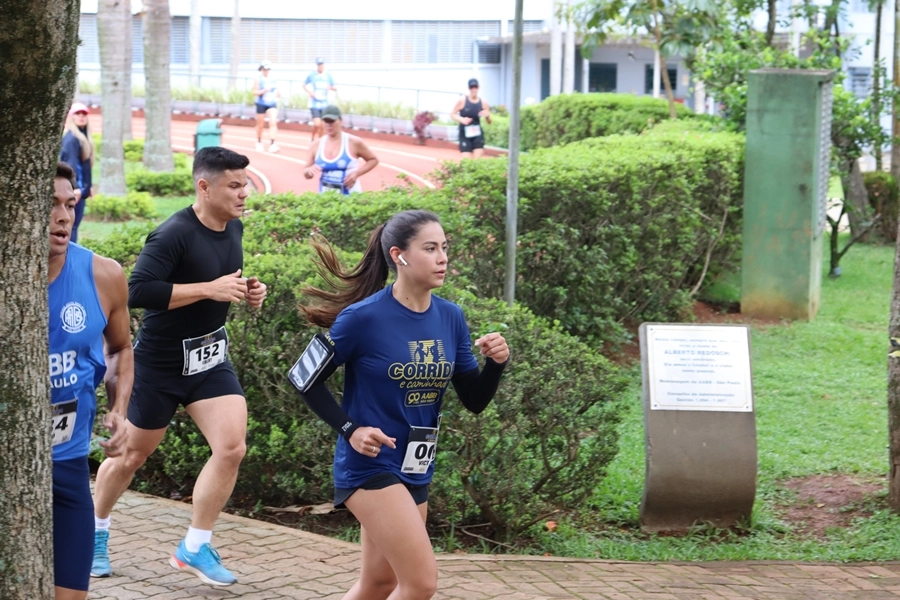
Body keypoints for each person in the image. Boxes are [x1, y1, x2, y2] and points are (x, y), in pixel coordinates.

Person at [293, 209, 509, 600]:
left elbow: (474, 399)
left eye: (445, 248)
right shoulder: (362, 318)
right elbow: (303, 377)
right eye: (430, 248)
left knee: (379, 583)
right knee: (420, 583)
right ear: (399, 255)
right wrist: (351, 429)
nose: (443, 258)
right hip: (370, 465)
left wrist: (496, 364)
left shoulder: (451, 317)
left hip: (416, 464)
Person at [90, 147, 268, 586]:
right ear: (204, 187)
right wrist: (209, 289)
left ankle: (194, 546)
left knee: (231, 448)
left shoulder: (234, 226)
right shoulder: (173, 234)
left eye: (245, 184)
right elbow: (137, 291)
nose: (244, 193)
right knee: (131, 456)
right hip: (161, 364)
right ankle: (94, 532)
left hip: (209, 359)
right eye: (234, 185)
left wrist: (247, 291)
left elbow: (221, 282)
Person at [49, 161, 133, 600]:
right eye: (50, 205)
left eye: (70, 205)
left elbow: (120, 348)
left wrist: (118, 410)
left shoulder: (103, 275)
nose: (63, 217)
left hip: (68, 464)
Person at [302, 105, 379, 195]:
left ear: (341, 120)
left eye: (332, 121)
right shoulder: (316, 145)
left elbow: (373, 160)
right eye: (326, 121)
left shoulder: (353, 142)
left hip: (350, 198)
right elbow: (306, 172)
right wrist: (309, 171)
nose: (329, 125)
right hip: (325, 199)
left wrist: (356, 174)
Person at [59, 102, 95, 243]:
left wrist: (88, 186)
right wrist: (76, 188)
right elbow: (71, 165)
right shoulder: (72, 139)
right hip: (75, 191)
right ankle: (68, 254)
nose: (81, 117)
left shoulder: (83, 137)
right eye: (78, 114)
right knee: (71, 227)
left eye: (84, 114)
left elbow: (84, 166)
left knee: (73, 226)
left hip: (80, 189)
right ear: (72, 117)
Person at [451, 78, 492, 159]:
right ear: (468, 88)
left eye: (475, 87)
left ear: (478, 87)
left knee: (477, 161)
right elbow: (452, 114)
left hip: (477, 134)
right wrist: (462, 119)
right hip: (464, 134)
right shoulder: (462, 100)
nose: (473, 89)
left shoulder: (483, 102)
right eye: (471, 87)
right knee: (467, 161)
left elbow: (489, 121)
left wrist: (487, 116)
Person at [304, 57, 336, 141]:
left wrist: (331, 88)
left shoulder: (328, 75)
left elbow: (335, 87)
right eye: (319, 65)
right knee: (317, 124)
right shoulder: (312, 75)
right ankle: (312, 138)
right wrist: (310, 92)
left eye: (321, 64)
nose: (320, 66)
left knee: (323, 126)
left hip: (325, 104)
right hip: (314, 103)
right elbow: (303, 85)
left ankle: (320, 142)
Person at [253, 60, 280, 153]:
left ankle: (272, 143)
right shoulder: (258, 79)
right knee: (260, 124)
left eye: (268, 69)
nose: (266, 71)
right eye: (264, 69)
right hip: (261, 103)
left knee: (273, 122)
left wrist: (278, 94)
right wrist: (263, 90)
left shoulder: (273, 79)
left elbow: (278, 90)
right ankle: (259, 141)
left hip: (271, 103)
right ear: (261, 69)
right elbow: (254, 92)